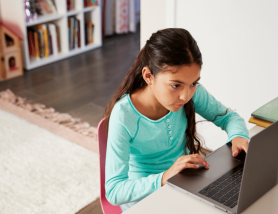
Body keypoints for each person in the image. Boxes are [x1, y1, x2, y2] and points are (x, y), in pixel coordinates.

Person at [104, 28, 250, 212]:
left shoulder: (189, 92)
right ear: (149, 76)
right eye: (175, 85)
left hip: (185, 183)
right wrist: (164, 177)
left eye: (193, 83)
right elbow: (114, 191)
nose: (186, 96)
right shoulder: (124, 116)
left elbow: (229, 117)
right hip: (144, 199)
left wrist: (238, 136)